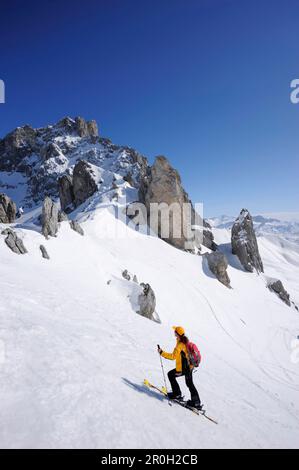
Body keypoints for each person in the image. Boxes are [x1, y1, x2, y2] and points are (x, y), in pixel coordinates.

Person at [157, 326, 202, 409]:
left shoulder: (180, 345)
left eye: (175, 332)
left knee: (171, 375)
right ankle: (193, 400)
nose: (174, 333)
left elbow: (172, 356)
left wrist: (161, 352)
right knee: (189, 383)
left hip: (185, 368)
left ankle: (182, 396)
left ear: (177, 334)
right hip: (190, 366)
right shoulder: (185, 341)